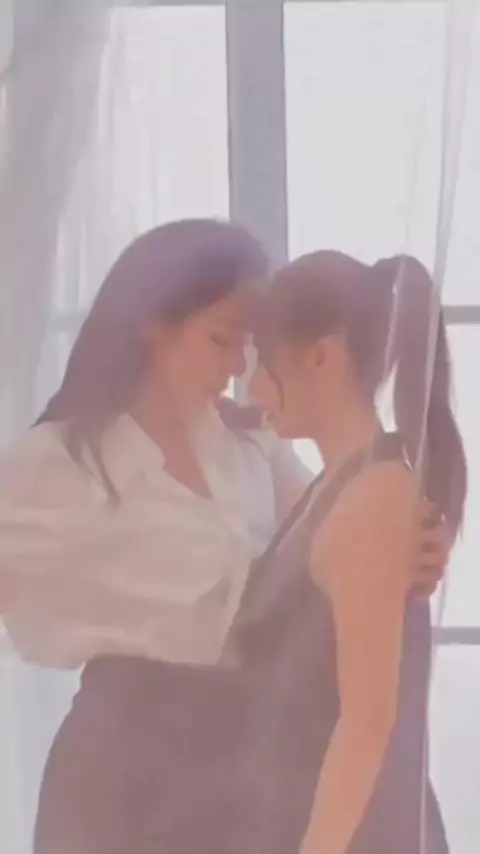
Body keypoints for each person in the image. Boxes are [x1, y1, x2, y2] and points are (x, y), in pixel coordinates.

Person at [0, 221, 449, 854]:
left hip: (239, 773)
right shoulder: (62, 463)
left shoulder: (251, 446)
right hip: (118, 769)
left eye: (249, 345)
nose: (238, 366)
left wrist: (417, 542)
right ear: (151, 323)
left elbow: (334, 545)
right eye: (221, 339)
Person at [230, 250, 466, 854]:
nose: (252, 389)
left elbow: (367, 725)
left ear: (321, 357)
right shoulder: (332, 488)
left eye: (262, 364)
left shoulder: (373, 498)